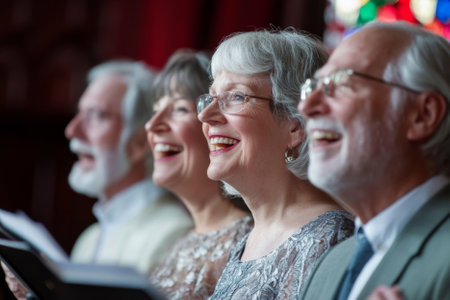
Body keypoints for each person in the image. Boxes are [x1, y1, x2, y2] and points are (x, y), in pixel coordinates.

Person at [3, 60, 194, 299]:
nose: (72, 130)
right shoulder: (89, 238)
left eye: (95, 115)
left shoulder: (173, 234)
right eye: (78, 113)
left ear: (140, 142)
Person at [197, 29, 354, 299]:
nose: (206, 116)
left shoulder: (327, 236)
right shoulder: (249, 240)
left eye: (236, 97)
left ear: (295, 125)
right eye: (211, 98)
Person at [298, 21, 450, 300]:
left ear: (422, 115)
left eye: (340, 82)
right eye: (314, 87)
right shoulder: (328, 266)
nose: (306, 107)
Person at [145, 49, 252, 299]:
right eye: (156, 109)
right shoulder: (180, 242)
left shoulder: (243, 242)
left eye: (180, 109)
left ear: (216, 124)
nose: (152, 125)